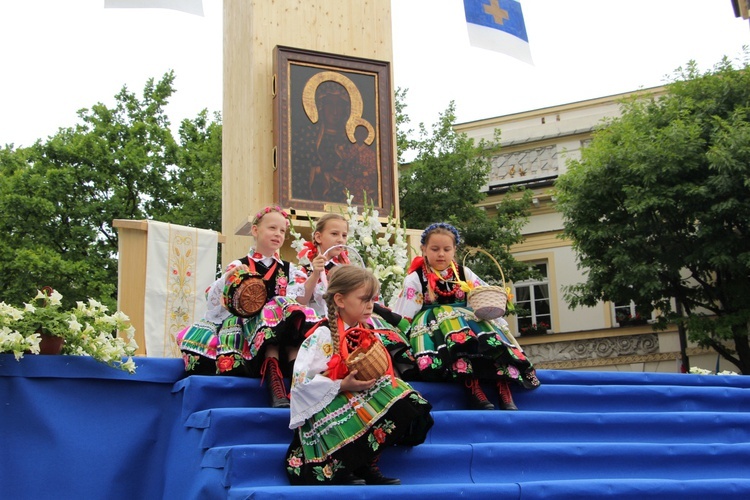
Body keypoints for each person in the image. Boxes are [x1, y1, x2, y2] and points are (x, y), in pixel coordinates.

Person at [285, 265, 433, 486]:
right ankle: (347, 464)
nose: (370, 306)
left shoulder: (366, 333)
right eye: (364, 299)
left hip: (356, 398)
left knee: (404, 395)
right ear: (340, 300)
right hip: (326, 405)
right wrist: (341, 384)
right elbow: (301, 384)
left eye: (372, 300)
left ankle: (366, 460)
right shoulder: (323, 336)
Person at [177, 206, 320, 408]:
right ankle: (276, 386)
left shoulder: (289, 269)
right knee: (276, 311)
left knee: (291, 312)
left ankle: (296, 387)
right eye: (272, 228)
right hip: (247, 329)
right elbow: (218, 300)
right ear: (255, 231)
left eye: (282, 231)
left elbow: (302, 300)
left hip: (280, 331)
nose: (278, 234)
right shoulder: (240, 264)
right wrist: (230, 278)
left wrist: (314, 275)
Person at [391, 222, 541, 410]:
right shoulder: (416, 278)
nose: (441, 254)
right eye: (435, 249)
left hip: (467, 321)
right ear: (424, 249)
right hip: (435, 329)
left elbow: (482, 297)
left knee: (487, 339)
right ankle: (473, 387)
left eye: (447, 249)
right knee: (457, 337)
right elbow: (406, 313)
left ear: (454, 250)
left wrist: (497, 321)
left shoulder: (464, 273)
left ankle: (503, 387)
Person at [298, 213, 418, 379]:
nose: (340, 239)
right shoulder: (305, 270)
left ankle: (395, 372)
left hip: (354, 317)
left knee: (379, 325)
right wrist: (315, 274)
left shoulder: (350, 268)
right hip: (325, 320)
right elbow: (300, 301)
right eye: (334, 234)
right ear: (318, 236)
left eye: (344, 235)